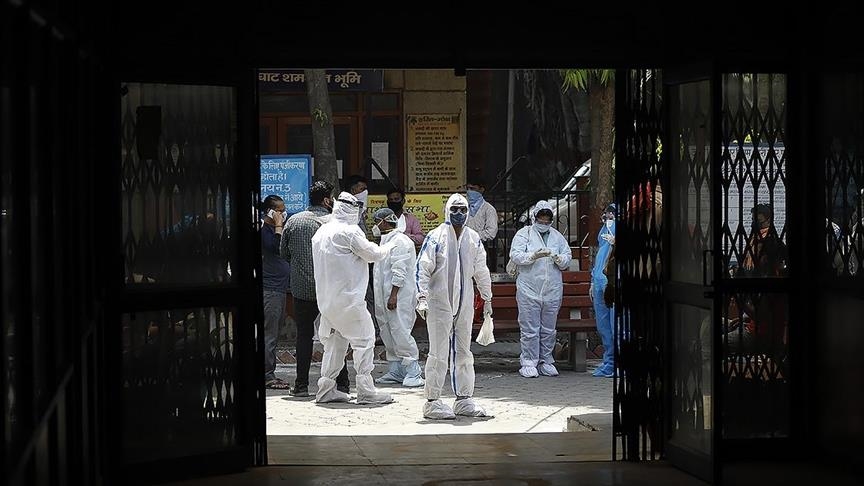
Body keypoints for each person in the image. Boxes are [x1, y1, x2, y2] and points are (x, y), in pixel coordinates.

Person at [312, 191, 395, 404]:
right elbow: (373, 254)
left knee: (334, 345)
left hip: (327, 302)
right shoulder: (349, 232)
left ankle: (326, 390)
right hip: (349, 300)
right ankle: (366, 391)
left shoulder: (321, 231)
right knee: (365, 341)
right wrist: (390, 244)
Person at [415, 194, 493, 419]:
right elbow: (422, 268)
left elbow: (481, 269)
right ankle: (432, 401)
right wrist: (421, 297)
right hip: (439, 302)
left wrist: (487, 298)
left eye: (463, 209)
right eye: (455, 209)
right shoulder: (435, 237)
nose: (459, 214)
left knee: (464, 351)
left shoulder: (473, 238)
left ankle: (464, 399)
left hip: (465, 302)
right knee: (438, 352)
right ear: (447, 211)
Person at [279, 181, 350, 397]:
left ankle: (301, 385)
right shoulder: (334, 223)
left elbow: (284, 254)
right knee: (336, 335)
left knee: (304, 335)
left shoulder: (294, 221)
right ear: (327, 200)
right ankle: (343, 384)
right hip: (330, 288)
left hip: (302, 289)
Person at [509, 201, 572, 378]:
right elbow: (515, 255)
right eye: (541, 219)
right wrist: (533, 256)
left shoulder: (557, 237)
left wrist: (559, 259)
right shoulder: (524, 234)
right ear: (534, 218)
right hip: (529, 288)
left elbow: (567, 257)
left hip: (552, 289)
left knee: (549, 329)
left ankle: (546, 360)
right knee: (530, 328)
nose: (544, 223)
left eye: (547, 220)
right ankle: (529, 361)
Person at [371, 208, 424, 387]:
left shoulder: (400, 241)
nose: (374, 226)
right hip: (384, 296)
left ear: (384, 222)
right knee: (387, 330)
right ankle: (396, 370)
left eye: (376, 222)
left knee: (400, 331)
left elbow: (399, 270)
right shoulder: (386, 241)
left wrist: (394, 295)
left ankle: (413, 371)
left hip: (398, 296)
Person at [260, 195, 291, 389]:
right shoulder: (265, 230)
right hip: (270, 289)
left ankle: (269, 373)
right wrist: (279, 226)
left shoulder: (277, 230)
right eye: (279, 210)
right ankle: (267, 376)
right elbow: (275, 247)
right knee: (269, 334)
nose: (283, 213)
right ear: (270, 212)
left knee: (274, 332)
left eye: (283, 210)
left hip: (280, 288)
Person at [590, 203, 616, 378]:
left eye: (613, 213)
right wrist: (593, 281)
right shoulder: (604, 232)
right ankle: (609, 362)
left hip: (613, 282)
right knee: (604, 326)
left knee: (618, 326)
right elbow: (600, 257)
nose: (609, 216)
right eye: (607, 213)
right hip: (600, 281)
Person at [464, 179, 499, 271]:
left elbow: (491, 232)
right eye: (468, 188)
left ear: (481, 190)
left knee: (480, 274)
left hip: (480, 246)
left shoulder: (489, 209)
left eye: (473, 189)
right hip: (463, 246)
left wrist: (472, 236)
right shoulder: (464, 207)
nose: (469, 191)